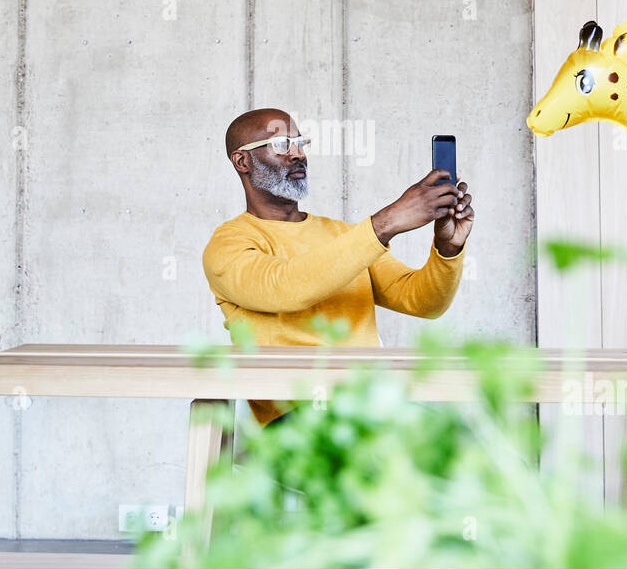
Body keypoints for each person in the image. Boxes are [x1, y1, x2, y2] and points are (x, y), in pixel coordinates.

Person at [201, 108, 475, 427]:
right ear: (242, 162)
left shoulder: (342, 235)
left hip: (374, 406)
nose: (298, 154)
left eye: (300, 142)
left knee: (485, 453)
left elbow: (423, 301)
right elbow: (287, 288)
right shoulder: (229, 244)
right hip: (300, 420)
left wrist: (448, 246)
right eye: (281, 145)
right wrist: (386, 223)